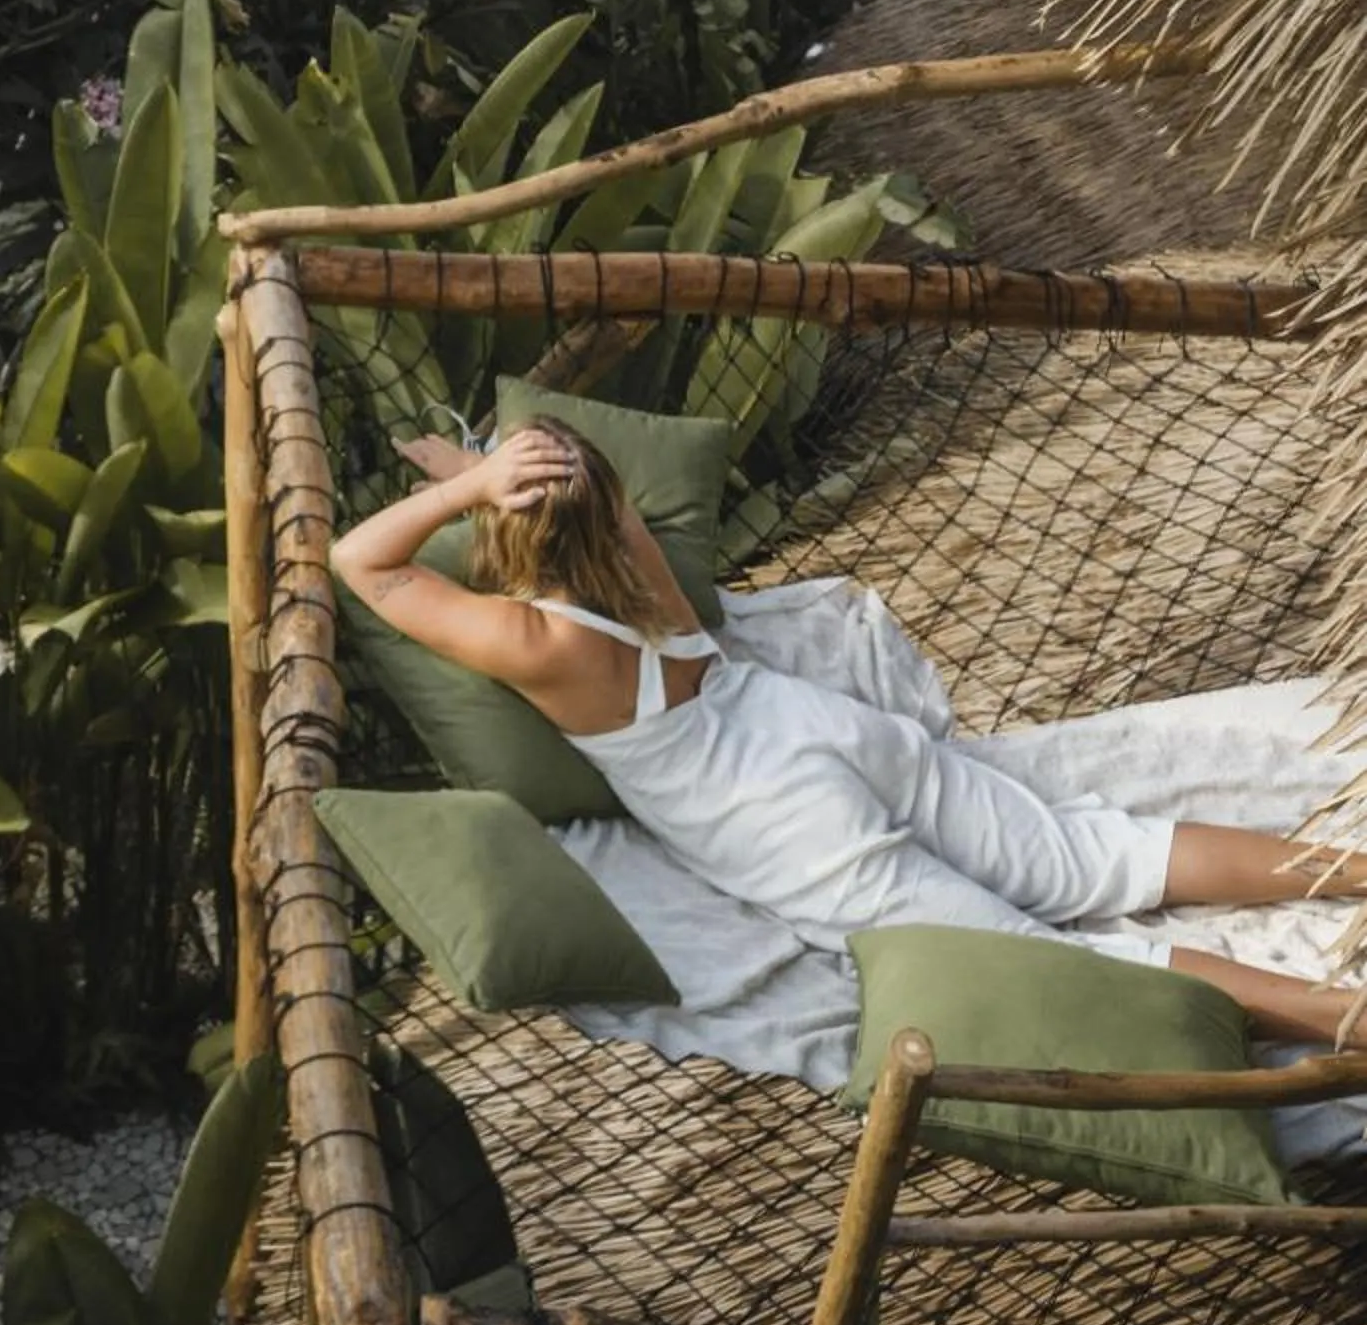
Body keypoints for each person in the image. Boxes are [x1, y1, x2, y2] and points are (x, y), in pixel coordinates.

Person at [331, 414, 1367, 1047]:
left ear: (501, 527)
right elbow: (587, 501)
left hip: (779, 814)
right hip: (816, 725)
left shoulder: (537, 642)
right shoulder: (635, 566)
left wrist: (466, 485)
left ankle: (1340, 1022)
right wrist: (486, 465)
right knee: (1089, 852)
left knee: (1035, 955)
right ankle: (1348, 867)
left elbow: (363, 564)